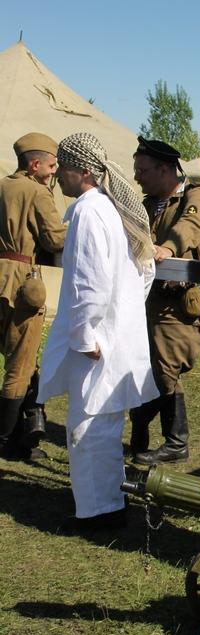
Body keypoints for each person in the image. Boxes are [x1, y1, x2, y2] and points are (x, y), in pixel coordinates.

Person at [38, 133, 159, 531]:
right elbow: (146, 271)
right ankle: (107, 504)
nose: (58, 176)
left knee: (88, 427)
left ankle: (97, 514)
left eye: (64, 167)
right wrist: (123, 314)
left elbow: (89, 283)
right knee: (102, 424)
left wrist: (87, 333)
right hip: (111, 333)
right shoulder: (110, 209)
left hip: (97, 341)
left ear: (84, 171)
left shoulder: (90, 212)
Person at [130, 136, 200, 465]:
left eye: (143, 170)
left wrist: (168, 247)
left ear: (166, 169)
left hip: (180, 304)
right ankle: (147, 431)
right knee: (149, 368)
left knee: (166, 370)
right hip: (147, 303)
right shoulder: (147, 203)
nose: (137, 176)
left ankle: (174, 440)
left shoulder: (196, 196)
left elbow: (191, 226)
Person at [0, 132, 66, 460]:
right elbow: (54, 239)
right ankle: (6, 442)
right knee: (21, 365)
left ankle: (22, 438)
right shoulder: (37, 191)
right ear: (35, 164)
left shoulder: (2, 185)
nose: (55, 171)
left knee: (19, 359)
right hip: (21, 285)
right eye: (52, 165)